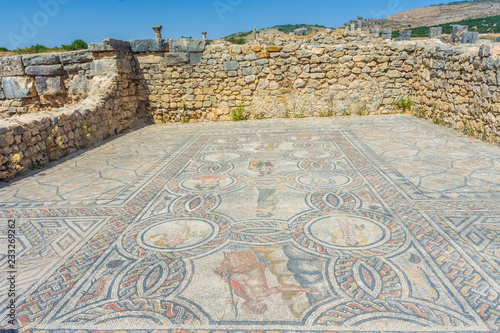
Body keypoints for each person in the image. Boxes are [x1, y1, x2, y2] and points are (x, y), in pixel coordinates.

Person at [215, 250, 316, 314]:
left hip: (241, 271)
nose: (256, 304)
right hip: (250, 266)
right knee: (234, 262)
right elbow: (282, 289)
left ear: (247, 306)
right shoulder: (262, 294)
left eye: (254, 307)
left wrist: (227, 278)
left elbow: (237, 282)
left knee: (225, 270)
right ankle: (232, 253)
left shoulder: (242, 295)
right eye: (259, 305)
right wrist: (304, 289)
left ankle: (230, 254)